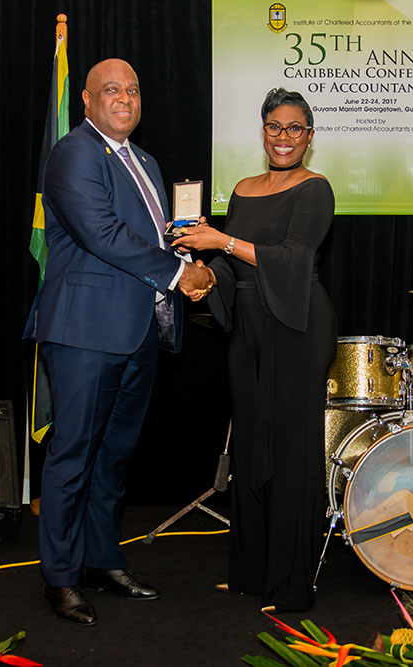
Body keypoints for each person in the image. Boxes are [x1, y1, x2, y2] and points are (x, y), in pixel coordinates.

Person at [26, 58, 212, 626]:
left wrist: (185, 250)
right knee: (74, 454)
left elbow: (149, 237)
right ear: (86, 99)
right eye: (112, 90)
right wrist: (180, 274)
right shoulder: (75, 152)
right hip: (85, 331)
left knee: (113, 456)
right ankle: (61, 577)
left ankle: (102, 560)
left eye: (132, 89)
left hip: (138, 332)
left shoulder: (146, 162)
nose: (124, 98)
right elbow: (102, 234)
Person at [174, 87, 337, 612]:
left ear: (309, 136)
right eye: (274, 126)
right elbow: (233, 266)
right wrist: (204, 278)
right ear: (263, 131)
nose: (283, 137)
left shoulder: (316, 189)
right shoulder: (244, 189)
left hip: (296, 325)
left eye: (294, 128)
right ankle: (249, 574)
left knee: (291, 453)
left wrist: (219, 241)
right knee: (248, 446)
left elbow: (292, 259)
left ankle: (290, 586)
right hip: (246, 327)